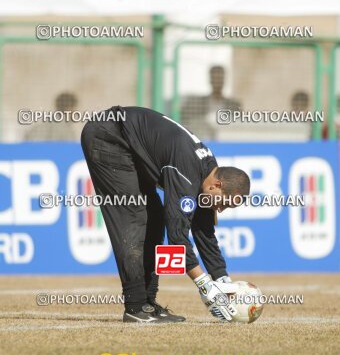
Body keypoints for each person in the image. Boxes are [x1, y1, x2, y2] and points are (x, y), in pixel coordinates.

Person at [81, 106, 250, 324]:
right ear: (217, 186)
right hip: (108, 136)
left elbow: (204, 231)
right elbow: (177, 237)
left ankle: (147, 304)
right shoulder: (187, 172)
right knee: (134, 219)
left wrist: (223, 280)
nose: (221, 209)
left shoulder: (209, 172)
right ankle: (135, 307)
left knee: (155, 220)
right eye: (224, 203)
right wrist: (205, 285)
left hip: (129, 144)